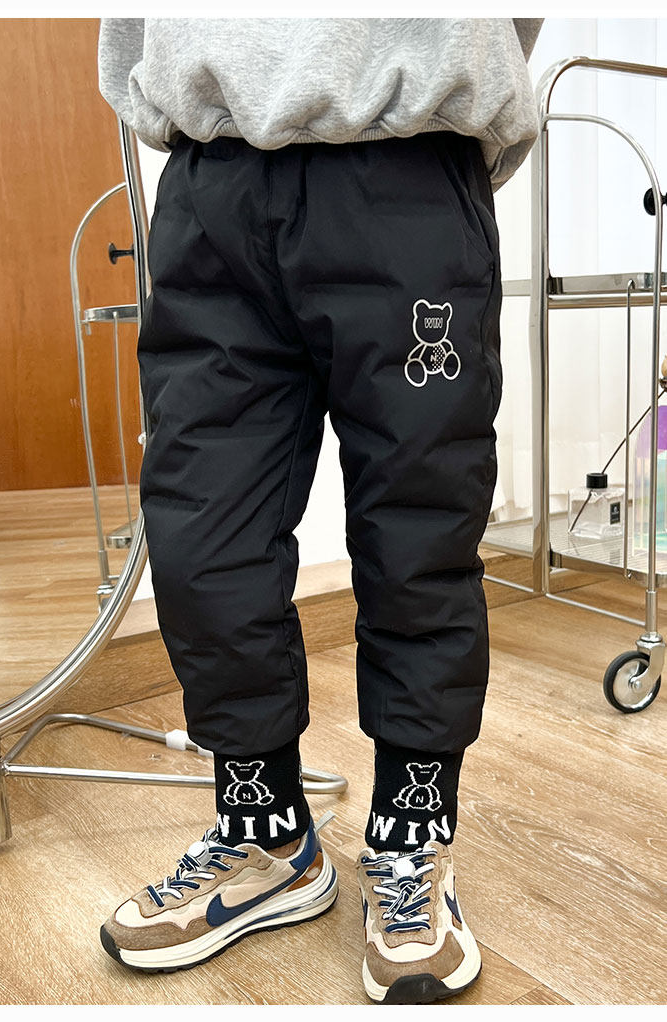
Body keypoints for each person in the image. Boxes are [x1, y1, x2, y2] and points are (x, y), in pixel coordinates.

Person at [97, 17, 542, 1004]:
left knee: (419, 535)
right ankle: (267, 836)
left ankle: (411, 830)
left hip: (408, 162)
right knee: (199, 533)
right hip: (214, 183)